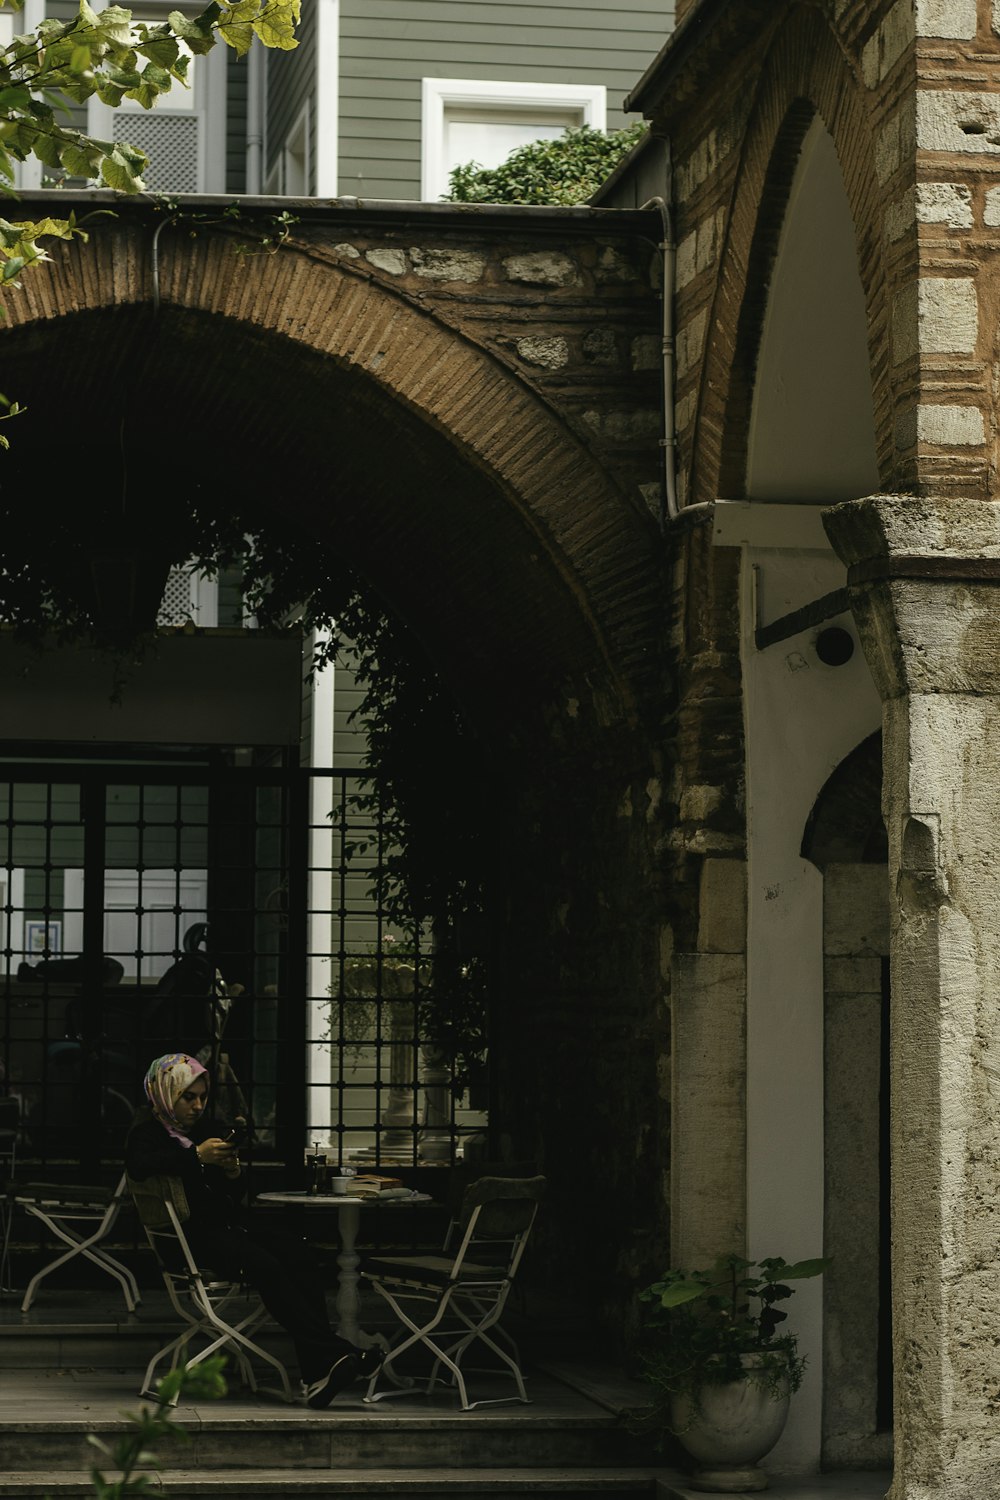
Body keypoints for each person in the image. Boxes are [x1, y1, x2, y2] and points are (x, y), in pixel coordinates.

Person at [125, 1053, 377, 1408]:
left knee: (298, 1253)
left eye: (201, 1097)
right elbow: (138, 1166)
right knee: (267, 1266)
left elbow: (229, 1197)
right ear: (165, 1093)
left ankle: (320, 1370)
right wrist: (196, 1156)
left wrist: (230, 1171)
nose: (197, 1106)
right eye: (188, 1097)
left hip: (225, 1230)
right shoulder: (146, 1134)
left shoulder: (203, 1131)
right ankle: (334, 1357)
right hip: (187, 1242)